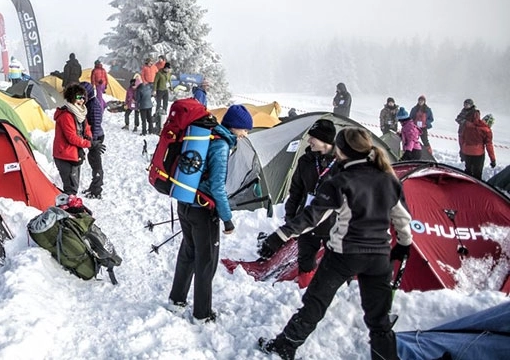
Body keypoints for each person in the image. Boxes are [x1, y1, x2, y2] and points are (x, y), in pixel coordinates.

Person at [257, 127, 413, 360]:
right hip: (379, 257)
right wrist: (404, 243)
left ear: (340, 150)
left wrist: (279, 236)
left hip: (344, 254)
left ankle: (285, 345)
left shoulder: (340, 181)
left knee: (315, 304)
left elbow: (313, 217)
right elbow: (402, 217)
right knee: (379, 320)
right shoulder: (388, 178)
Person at [168, 104, 253, 323]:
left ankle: (176, 300)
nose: (246, 134)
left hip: (184, 201)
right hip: (203, 211)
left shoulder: (207, 135)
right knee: (206, 262)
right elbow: (217, 187)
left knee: (188, 252)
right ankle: (202, 314)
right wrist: (227, 219)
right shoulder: (221, 146)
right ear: (235, 127)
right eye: (245, 129)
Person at [284, 119, 338, 289]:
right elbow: (296, 191)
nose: (309, 141)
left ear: (325, 141)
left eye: (313, 138)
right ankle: (305, 291)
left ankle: (330, 294)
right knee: (305, 259)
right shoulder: (305, 161)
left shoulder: (342, 164)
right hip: (306, 220)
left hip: (333, 224)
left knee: (335, 262)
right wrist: (290, 216)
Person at [53, 83, 93, 195]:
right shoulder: (66, 115)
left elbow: (86, 128)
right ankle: (68, 207)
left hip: (75, 153)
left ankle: (71, 203)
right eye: (78, 97)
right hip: (64, 154)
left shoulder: (80, 113)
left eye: (83, 97)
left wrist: (89, 138)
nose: (81, 100)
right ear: (71, 97)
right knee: (70, 187)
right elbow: (71, 137)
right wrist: (89, 144)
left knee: (74, 185)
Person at [81, 81, 107, 199]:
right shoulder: (89, 103)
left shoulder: (94, 104)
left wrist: (93, 142)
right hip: (93, 137)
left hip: (96, 137)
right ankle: (93, 186)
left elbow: (96, 124)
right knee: (92, 160)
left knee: (96, 164)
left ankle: (97, 190)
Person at [460, 109, 496, 180]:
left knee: (468, 170)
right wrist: (493, 159)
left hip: (467, 151)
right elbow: (489, 145)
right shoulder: (486, 130)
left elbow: (462, 139)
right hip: (478, 153)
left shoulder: (468, 126)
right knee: (477, 173)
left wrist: (462, 151)